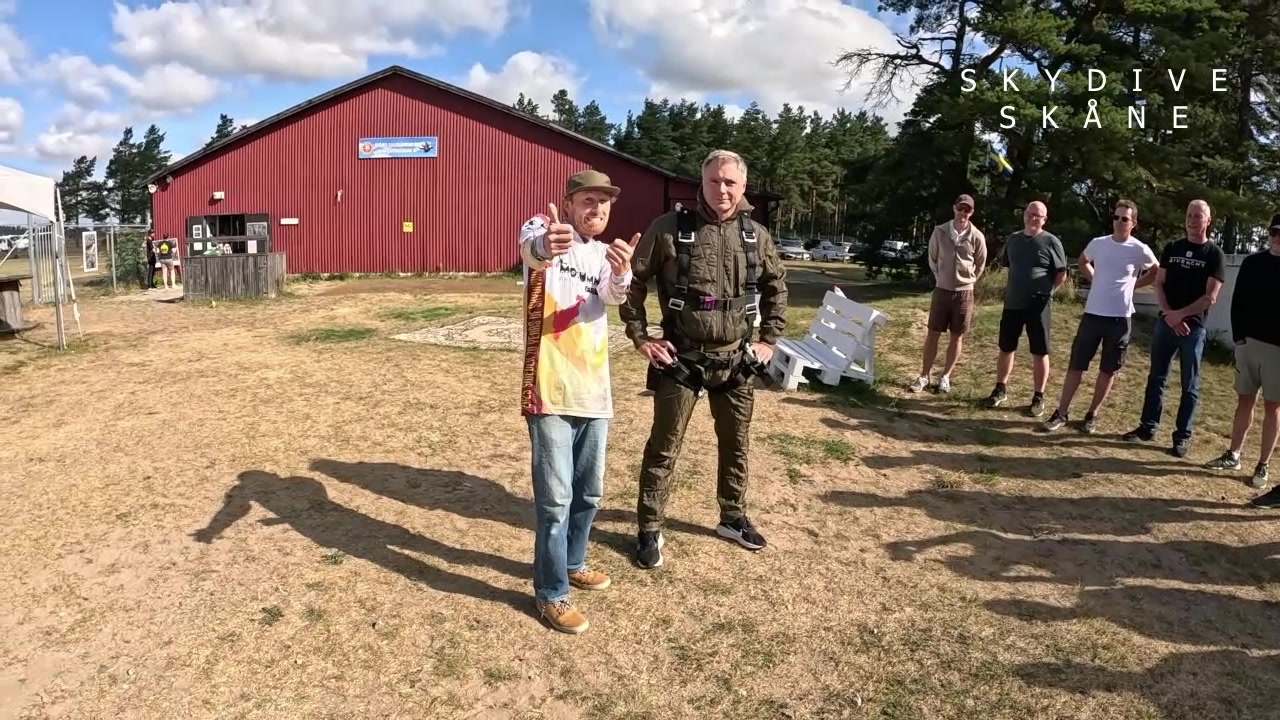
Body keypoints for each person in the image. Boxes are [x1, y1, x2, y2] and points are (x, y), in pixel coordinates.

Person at [620, 149, 788, 570]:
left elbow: (776, 287)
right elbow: (631, 283)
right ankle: (649, 528)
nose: (722, 189)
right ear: (702, 183)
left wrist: (769, 339)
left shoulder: (756, 235)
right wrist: (642, 338)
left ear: (743, 185)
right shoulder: (669, 228)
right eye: (714, 181)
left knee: (736, 444)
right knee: (663, 447)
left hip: (736, 361)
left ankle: (732, 517)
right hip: (682, 359)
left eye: (730, 182)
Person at [517, 169, 639, 634]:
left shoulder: (604, 254)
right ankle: (551, 593)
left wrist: (623, 272)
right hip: (549, 389)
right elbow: (532, 251)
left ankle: (573, 561)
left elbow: (612, 296)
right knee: (555, 500)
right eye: (588, 200)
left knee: (589, 492)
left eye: (604, 202)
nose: (597, 209)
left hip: (595, 391)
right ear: (567, 204)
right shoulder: (542, 228)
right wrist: (549, 244)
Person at [1042, 199, 1158, 433]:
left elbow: (1156, 270)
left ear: (1133, 223)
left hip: (1119, 318)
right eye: (1116, 217)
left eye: (1124, 219)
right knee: (1076, 365)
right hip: (1093, 315)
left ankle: (1092, 415)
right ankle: (1061, 412)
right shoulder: (1099, 244)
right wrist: (1095, 278)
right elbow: (1083, 261)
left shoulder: (1139, 249)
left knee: (1108, 369)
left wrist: (1133, 286)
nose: (1119, 222)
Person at [1123, 200, 1225, 456]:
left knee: (1190, 385)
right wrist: (1169, 314)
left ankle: (1182, 437)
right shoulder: (1172, 248)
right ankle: (1148, 427)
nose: (1192, 220)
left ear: (1208, 221)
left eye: (1198, 216)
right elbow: (1159, 283)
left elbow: (1210, 297)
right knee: (1157, 377)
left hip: (1193, 329)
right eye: (1189, 215)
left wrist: (1180, 316)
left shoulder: (1214, 254)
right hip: (1166, 323)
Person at [1204, 212, 1280, 500]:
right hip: (1248, 345)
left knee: (1273, 407)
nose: (1277, 237)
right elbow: (1238, 301)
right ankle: (1233, 454)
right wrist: (1239, 338)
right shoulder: (1252, 263)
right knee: (1244, 401)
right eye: (1274, 232)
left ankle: (1263, 465)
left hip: (1278, 351)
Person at [984, 201, 1067, 416]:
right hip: (1013, 303)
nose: (1033, 218)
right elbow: (1010, 266)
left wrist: (1048, 294)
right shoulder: (1013, 239)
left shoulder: (1051, 241)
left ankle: (1038, 396)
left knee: (1040, 351)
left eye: (1038, 216)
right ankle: (1000, 389)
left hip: (1038, 306)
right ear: (1024, 215)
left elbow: (1061, 274)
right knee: (1006, 347)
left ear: (1044, 219)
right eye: (1031, 213)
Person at [909, 194, 987, 393]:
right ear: (954, 208)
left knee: (957, 336)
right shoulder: (940, 231)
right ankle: (924, 376)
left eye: (967, 210)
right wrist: (941, 278)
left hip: (964, 294)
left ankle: (945, 377)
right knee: (933, 333)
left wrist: (968, 280)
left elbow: (980, 264)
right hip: (942, 290)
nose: (963, 213)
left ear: (972, 212)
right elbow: (933, 258)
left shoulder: (977, 236)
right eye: (960, 208)